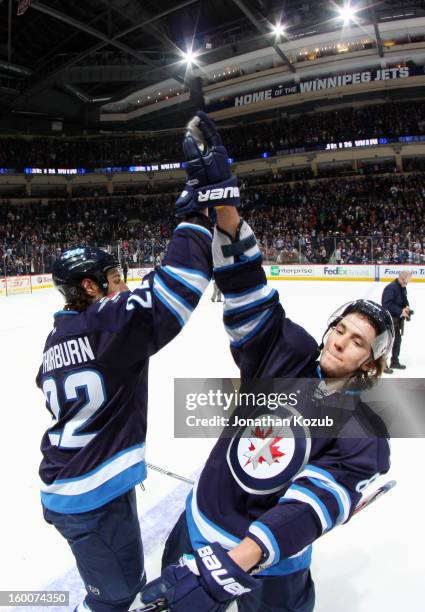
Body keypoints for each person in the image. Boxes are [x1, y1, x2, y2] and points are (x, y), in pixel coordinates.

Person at [141, 113, 395, 612]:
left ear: (370, 364)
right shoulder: (289, 352)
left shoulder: (364, 430)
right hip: (199, 523)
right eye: (340, 329)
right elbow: (250, 294)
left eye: (357, 341)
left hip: (268, 564)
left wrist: (239, 560)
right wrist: (227, 209)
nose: (341, 341)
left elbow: (311, 504)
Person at [36, 199, 213, 608]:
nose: (124, 287)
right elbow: (175, 288)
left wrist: (106, 437)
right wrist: (194, 219)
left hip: (82, 481)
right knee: (116, 598)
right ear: (89, 286)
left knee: (124, 583)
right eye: (115, 279)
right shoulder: (108, 322)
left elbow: (62, 403)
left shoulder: (55, 341)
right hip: (89, 497)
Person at [381, 270, 412, 373]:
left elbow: (404, 299)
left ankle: (394, 361)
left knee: (397, 340)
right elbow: (386, 304)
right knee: (387, 342)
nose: (407, 284)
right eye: (406, 282)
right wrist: (400, 311)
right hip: (389, 319)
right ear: (401, 279)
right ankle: (382, 365)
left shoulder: (402, 287)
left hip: (396, 319)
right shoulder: (391, 288)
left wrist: (406, 306)